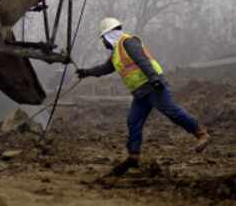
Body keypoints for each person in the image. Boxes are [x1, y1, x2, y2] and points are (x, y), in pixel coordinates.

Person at [76, 17, 209, 175]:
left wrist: (154, 78)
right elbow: (105, 68)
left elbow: (142, 60)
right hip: (140, 93)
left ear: (108, 35)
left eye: (103, 38)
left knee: (172, 111)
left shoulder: (128, 42)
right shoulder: (117, 52)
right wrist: (87, 72)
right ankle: (133, 157)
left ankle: (201, 134)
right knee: (133, 121)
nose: (103, 43)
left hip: (153, 86)